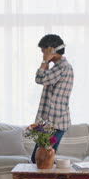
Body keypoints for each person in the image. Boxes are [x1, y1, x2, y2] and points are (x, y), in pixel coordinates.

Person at [31, 34, 74, 163]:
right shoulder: (58, 67)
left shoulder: (63, 67)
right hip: (52, 122)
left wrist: (45, 61)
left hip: (55, 122)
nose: (42, 54)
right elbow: (44, 78)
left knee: (40, 159)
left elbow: (40, 78)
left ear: (51, 50)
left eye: (43, 51)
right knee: (42, 159)